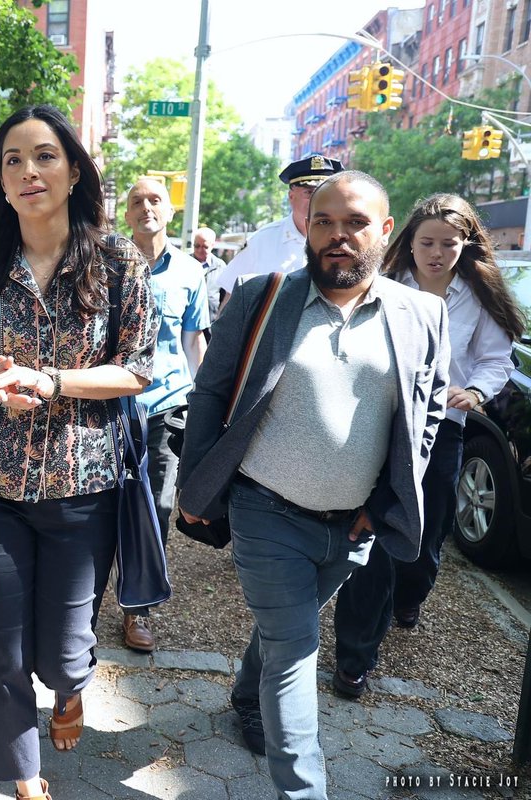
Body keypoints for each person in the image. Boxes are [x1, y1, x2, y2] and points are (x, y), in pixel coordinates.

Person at [177, 171, 449, 799]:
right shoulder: (262, 296)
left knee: (282, 630)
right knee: (295, 649)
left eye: (355, 223)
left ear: (385, 232)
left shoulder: (422, 314)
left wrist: (382, 503)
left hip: (351, 526)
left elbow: (428, 406)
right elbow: (212, 390)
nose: (337, 235)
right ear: (307, 226)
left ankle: (246, 692)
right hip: (264, 510)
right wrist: (195, 486)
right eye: (324, 221)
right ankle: (304, 791)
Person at [0, 104, 156, 800]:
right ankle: (22, 776)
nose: (28, 171)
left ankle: (69, 691)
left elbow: (139, 369)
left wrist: (54, 379)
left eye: (44, 156)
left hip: (81, 486)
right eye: (12, 160)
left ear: (72, 171)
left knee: (62, 653)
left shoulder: (117, 260)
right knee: (2, 648)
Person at [333, 193, 521, 698]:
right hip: (382, 425)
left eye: (448, 244)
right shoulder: (385, 286)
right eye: (427, 242)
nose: (436, 253)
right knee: (371, 541)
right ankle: (353, 658)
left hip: (445, 430)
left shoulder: (480, 296)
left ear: (467, 245)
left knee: (425, 539)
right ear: (409, 243)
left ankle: (410, 595)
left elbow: (496, 358)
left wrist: (476, 390)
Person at [118, 178, 209, 653]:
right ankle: (83, 604)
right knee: (102, 505)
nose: (145, 207)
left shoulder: (192, 273)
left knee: (158, 508)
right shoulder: (106, 263)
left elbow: (195, 344)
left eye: (154, 200)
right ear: (126, 213)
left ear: (169, 211)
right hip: (109, 408)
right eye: (136, 201)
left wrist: (210, 406)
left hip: (167, 407)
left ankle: (138, 610)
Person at [215, 153, 345, 301]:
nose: (317, 199)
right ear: (291, 196)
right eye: (309, 192)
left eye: (324, 193)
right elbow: (231, 297)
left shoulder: (344, 241)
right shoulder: (262, 241)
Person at [191, 225, 226, 321]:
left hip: (210, 322)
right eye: (197, 246)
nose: (199, 250)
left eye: (205, 247)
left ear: (212, 246)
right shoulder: (185, 263)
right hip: (187, 323)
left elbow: (225, 297)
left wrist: (219, 317)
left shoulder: (220, 266)